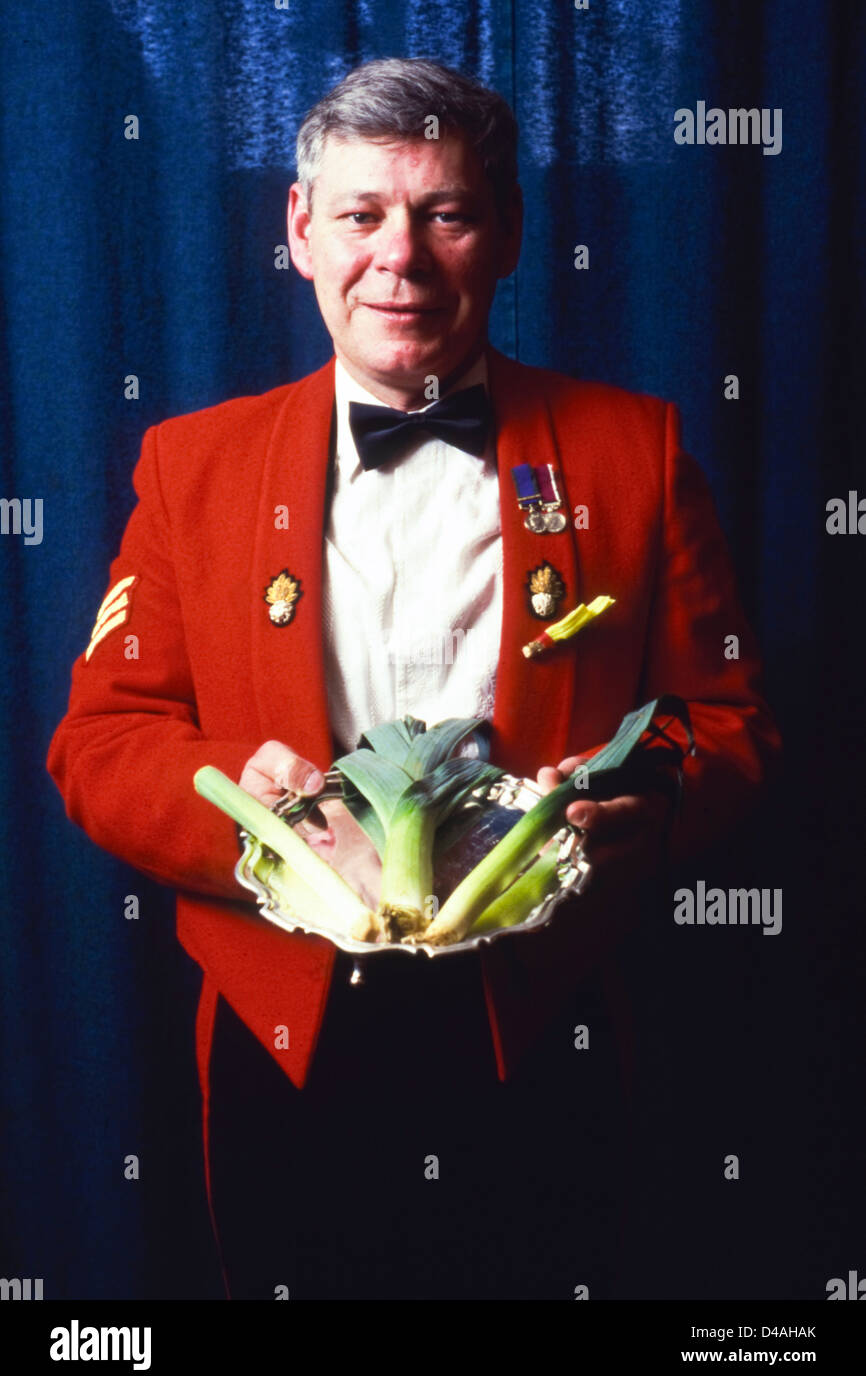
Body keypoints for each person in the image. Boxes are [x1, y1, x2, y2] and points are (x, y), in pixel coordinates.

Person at [47, 58, 780, 1299]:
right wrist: (240, 804)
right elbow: (101, 740)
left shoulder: (634, 451)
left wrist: (639, 806)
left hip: (541, 1017)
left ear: (502, 236)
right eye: (360, 215)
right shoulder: (191, 467)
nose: (401, 256)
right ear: (298, 232)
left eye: (444, 213)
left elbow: (728, 724)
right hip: (285, 1026)